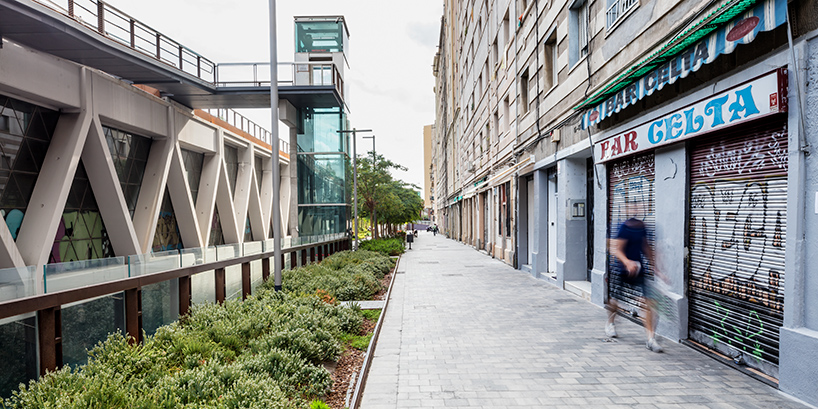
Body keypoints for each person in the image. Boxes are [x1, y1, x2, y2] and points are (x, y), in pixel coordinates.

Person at [606, 209, 668, 352]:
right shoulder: (624, 227)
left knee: (649, 301)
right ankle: (610, 323)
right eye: (633, 208)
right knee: (615, 300)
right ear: (628, 211)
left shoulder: (642, 228)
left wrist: (655, 268)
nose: (636, 210)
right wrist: (627, 262)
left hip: (639, 269)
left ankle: (650, 339)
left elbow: (646, 247)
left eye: (638, 208)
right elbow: (618, 249)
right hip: (622, 269)